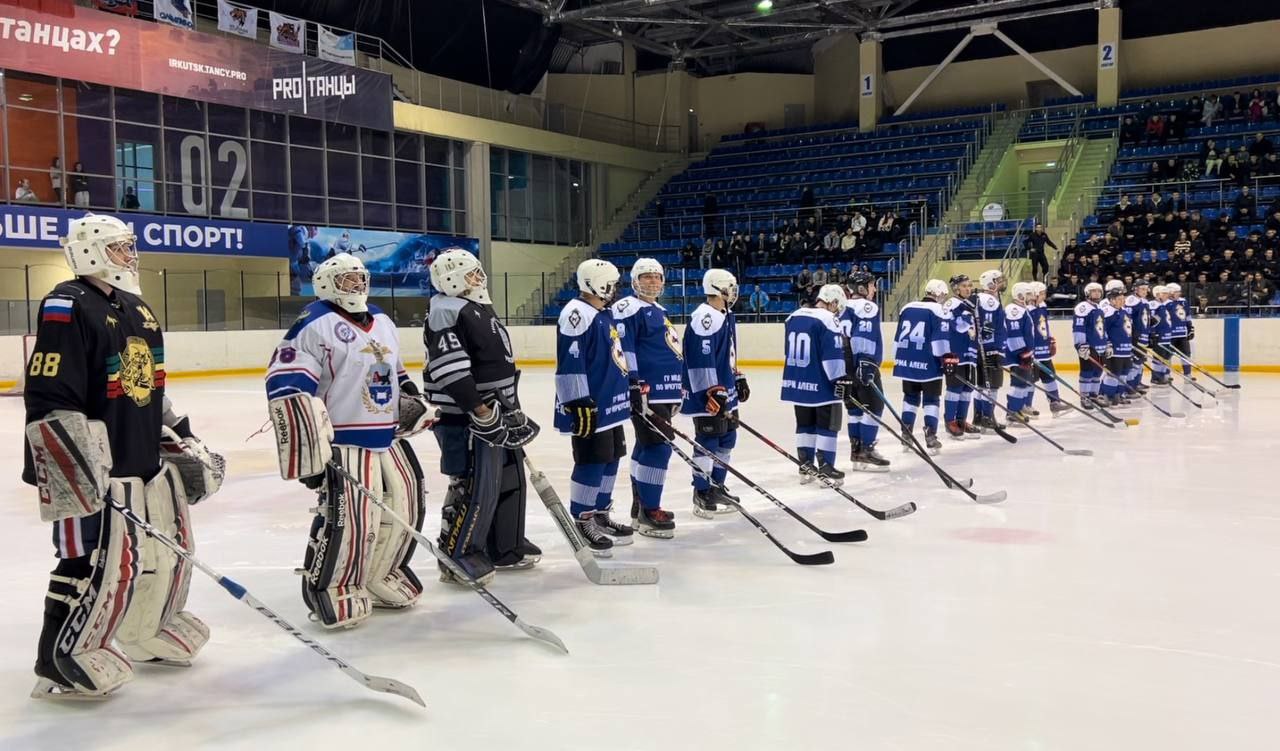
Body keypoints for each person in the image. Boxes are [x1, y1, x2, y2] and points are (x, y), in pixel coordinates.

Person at [24, 213, 225, 698]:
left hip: (140, 458)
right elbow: (51, 391)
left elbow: (150, 385)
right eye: (118, 247)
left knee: (152, 555)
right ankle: (58, 657)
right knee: (87, 558)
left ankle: (146, 630)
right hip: (91, 466)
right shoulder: (66, 305)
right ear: (89, 252)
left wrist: (180, 430)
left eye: (129, 246)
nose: (129, 256)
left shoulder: (137, 307)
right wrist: (73, 462)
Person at [265, 253, 435, 627]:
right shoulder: (314, 323)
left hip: (388, 436)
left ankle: (381, 573)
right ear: (327, 284)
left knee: (407, 506)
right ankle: (333, 587)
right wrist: (306, 438)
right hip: (344, 440)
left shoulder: (383, 320)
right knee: (353, 519)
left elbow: (397, 372)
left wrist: (412, 399)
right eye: (348, 280)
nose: (358, 286)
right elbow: (286, 380)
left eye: (360, 278)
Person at [421, 249, 540, 578]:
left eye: (477, 272)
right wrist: (479, 408)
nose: (479, 279)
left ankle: (504, 545)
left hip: (499, 410)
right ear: (450, 279)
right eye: (471, 274)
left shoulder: (473, 307)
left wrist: (505, 406)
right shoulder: (445, 311)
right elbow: (450, 369)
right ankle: (458, 553)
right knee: (475, 484)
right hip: (470, 417)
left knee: (508, 479)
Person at [555, 259, 633, 555]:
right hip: (591, 405)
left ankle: (600, 512)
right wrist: (577, 401)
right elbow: (570, 361)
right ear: (597, 283)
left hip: (610, 402)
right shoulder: (576, 313)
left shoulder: (603, 313)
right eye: (611, 283)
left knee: (611, 456)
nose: (615, 289)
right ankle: (582, 517)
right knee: (591, 460)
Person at [611, 259, 679, 539]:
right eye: (646, 276)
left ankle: (640, 504)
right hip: (647, 391)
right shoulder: (629, 308)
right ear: (634, 280)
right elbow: (625, 348)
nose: (653, 281)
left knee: (647, 443)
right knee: (659, 446)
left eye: (657, 276)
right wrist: (635, 384)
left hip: (662, 390)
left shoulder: (657, 310)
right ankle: (651, 510)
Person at [681, 268, 746, 518]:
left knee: (727, 438)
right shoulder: (705, 316)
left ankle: (717, 486)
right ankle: (702, 490)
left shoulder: (725, 314)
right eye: (730, 286)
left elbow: (724, 354)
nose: (733, 291)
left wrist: (737, 376)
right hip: (708, 392)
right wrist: (711, 390)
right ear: (718, 288)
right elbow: (700, 359)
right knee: (708, 440)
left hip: (724, 388)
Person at [781, 284, 848, 485]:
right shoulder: (829, 319)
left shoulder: (793, 316)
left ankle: (806, 466)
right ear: (833, 302)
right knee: (829, 424)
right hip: (821, 383)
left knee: (804, 424)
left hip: (797, 382)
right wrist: (840, 380)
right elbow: (832, 358)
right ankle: (826, 468)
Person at [892, 279, 952, 455]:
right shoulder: (938, 310)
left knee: (910, 397)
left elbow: (897, 339)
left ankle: (906, 432)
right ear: (938, 293)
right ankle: (930, 435)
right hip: (928, 362)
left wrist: (899, 359)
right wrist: (945, 358)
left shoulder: (907, 307)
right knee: (931, 399)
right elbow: (939, 342)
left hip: (906, 361)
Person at [839, 271, 890, 472]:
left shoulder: (843, 306)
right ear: (861, 288)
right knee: (875, 406)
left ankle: (857, 451)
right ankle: (866, 449)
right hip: (861, 361)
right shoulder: (866, 306)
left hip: (844, 364)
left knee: (855, 408)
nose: (874, 289)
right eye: (871, 285)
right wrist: (867, 362)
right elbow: (864, 334)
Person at [941, 274, 981, 439]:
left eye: (970, 285)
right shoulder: (953, 303)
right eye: (964, 286)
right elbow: (958, 327)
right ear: (956, 288)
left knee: (967, 388)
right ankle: (950, 421)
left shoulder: (966, 304)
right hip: (955, 353)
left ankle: (961, 420)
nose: (968, 289)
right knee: (955, 388)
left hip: (968, 352)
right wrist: (966, 312)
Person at [972, 269, 1007, 431]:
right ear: (991, 283)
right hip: (990, 349)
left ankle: (978, 417)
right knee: (992, 385)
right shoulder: (990, 301)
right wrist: (995, 349)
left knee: (980, 386)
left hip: (979, 350)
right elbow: (989, 326)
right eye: (998, 280)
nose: (1001, 283)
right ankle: (988, 417)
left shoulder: (978, 298)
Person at [1026, 281, 1069, 414]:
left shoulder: (1042, 307)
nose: (1044, 296)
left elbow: (1044, 326)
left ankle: (1054, 402)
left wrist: (1049, 338)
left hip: (1044, 351)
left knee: (1050, 376)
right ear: (1034, 294)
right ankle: (1026, 405)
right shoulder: (1027, 311)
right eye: (1042, 293)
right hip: (1033, 353)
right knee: (1030, 380)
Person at [1002, 283, 1038, 423]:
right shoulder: (1014, 310)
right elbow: (1013, 335)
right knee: (1018, 383)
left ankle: (1017, 409)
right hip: (1018, 355)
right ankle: (1012, 411)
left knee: (1023, 383)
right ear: (1020, 295)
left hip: (1023, 354)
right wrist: (1023, 354)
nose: (1031, 296)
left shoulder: (1022, 309)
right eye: (1028, 294)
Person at [1072, 282, 1108, 409]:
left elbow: (1103, 328)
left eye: (1099, 291)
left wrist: (1107, 342)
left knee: (1098, 372)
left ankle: (1094, 395)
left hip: (1100, 346)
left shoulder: (1099, 308)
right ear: (1087, 293)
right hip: (1089, 346)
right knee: (1087, 372)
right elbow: (1078, 328)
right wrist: (1081, 345)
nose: (1097, 293)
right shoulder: (1083, 307)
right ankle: (1085, 396)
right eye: (1094, 291)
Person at [1101, 284, 1134, 407]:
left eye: (1123, 298)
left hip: (1126, 349)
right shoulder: (1107, 313)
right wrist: (1107, 344)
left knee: (1124, 372)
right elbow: (1102, 330)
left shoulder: (1123, 311)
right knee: (1113, 373)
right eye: (1119, 299)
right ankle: (1107, 395)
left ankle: (1118, 394)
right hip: (1115, 350)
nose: (1122, 301)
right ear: (1111, 300)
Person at [1165, 282, 1193, 379]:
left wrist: (1190, 327)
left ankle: (1187, 374)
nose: (1179, 294)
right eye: (1177, 292)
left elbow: (1188, 315)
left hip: (1182, 334)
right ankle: (1166, 374)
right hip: (1170, 335)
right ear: (1171, 292)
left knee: (1186, 354)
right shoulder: (1165, 303)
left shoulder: (1183, 301)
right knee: (1167, 355)